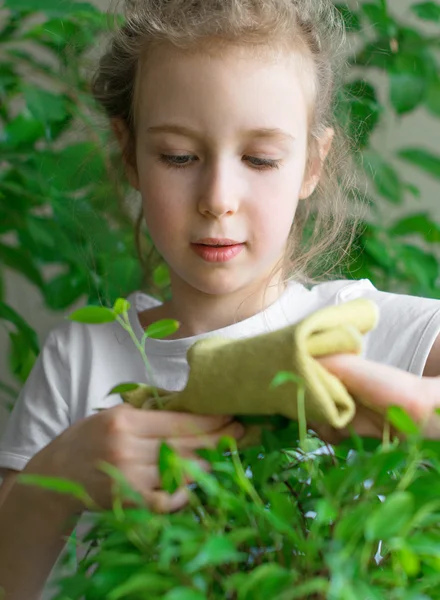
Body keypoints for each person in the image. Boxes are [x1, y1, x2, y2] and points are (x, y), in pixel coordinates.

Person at [1, 0, 440, 597]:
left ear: (311, 164)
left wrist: (416, 405)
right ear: (129, 153)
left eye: (260, 159)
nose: (218, 197)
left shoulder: (374, 332)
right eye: (179, 156)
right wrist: (63, 470)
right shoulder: (81, 361)